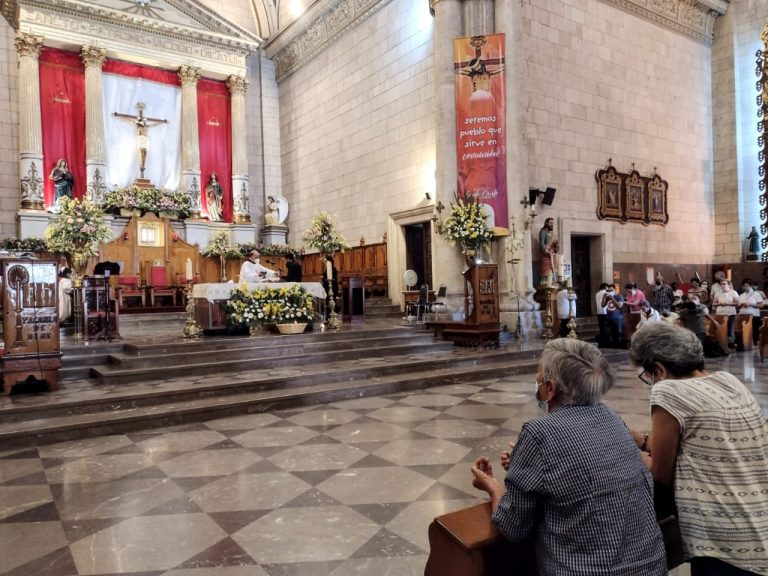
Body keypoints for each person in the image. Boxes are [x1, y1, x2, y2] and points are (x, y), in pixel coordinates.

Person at [471, 339, 666, 576]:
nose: (536, 380)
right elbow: (585, 472)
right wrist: (528, 467)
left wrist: (491, 486)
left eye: (539, 374)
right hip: (651, 566)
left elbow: (512, 526)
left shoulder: (539, 432)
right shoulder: (611, 416)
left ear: (550, 388)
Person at [629, 322, 768, 576]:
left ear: (659, 369)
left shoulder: (669, 390)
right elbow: (702, 443)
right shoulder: (727, 381)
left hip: (722, 537)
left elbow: (661, 475)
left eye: (647, 375)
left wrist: (628, 454)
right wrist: (642, 440)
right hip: (759, 519)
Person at [713, 278, 739, 348]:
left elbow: (737, 304)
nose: (723, 285)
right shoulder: (718, 293)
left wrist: (727, 304)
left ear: (728, 285)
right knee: (720, 329)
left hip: (730, 313)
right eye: (721, 284)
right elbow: (714, 304)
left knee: (730, 329)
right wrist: (719, 304)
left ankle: (731, 344)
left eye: (724, 284)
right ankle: (721, 344)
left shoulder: (733, 292)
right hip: (720, 313)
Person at [738, 279, 763, 346]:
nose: (745, 287)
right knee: (744, 331)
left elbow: (761, 305)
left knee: (755, 331)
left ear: (750, 286)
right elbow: (738, 306)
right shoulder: (741, 295)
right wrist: (741, 305)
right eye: (744, 286)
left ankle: (756, 344)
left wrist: (750, 304)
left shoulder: (756, 294)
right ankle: (745, 344)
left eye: (747, 286)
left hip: (754, 315)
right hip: (743, 315)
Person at [537, 218, 558, 286]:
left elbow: (555, 244)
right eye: (550, 222)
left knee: (553, 269)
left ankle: (553, 282)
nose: (552, 224)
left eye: (553, 223)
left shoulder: (553, 233)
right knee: (547, 270)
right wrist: (546, 251)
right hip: (545, 255)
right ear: (546, 223)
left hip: (552, 254)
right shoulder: (543, 231)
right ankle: (545, 283)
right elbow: (541, 244)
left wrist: (556, 247)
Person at [595, 282, 609, 347]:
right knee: (605, 328)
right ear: (605, 287)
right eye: (607, 287)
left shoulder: (597, 293)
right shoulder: (605, 293)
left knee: (601, 328)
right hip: (605, 312)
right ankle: (605, 342)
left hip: (599, 312)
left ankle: (601, 342)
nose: (608, 288)